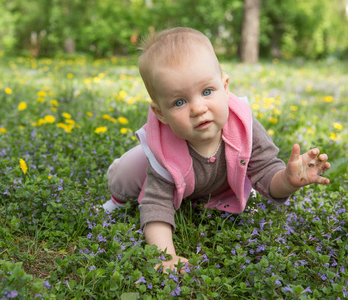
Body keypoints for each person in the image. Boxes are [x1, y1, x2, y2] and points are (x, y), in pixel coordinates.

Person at [103, 27, 331, 273]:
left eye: (207, 91)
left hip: (213, 185)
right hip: (167, 175)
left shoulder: (244, 127)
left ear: (225, 87)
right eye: (179, 102)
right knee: (130, 170)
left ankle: (212, 196)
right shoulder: (164, 152)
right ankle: (117, 197)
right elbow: (156, 205)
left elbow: (265, 173)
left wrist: (287, 181)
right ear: (161, 114)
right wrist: (166, 257)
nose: (198, 108)